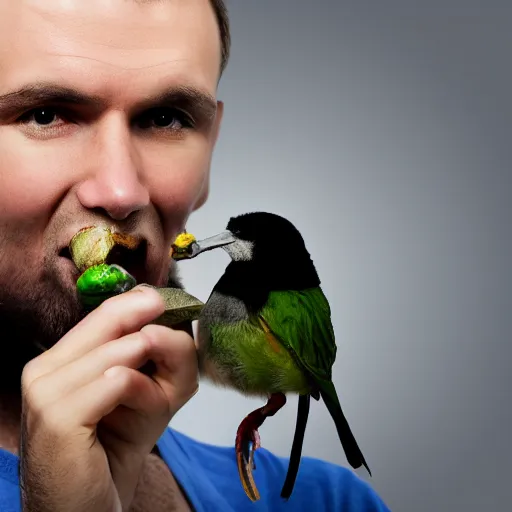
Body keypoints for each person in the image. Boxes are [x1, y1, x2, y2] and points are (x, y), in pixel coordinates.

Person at [0, 1, 391, 510]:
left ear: (208, 153)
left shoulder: (324, 502)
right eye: (46, 114)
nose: (121, 191)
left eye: (166, 118)